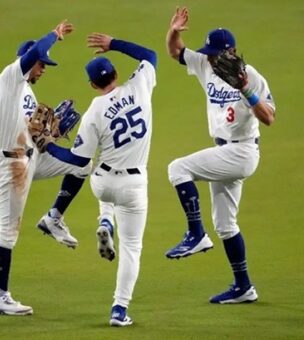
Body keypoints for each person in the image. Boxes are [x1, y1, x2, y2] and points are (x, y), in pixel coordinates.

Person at [38, 32, 157, 325]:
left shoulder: (94, 110)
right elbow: (150, 56)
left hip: (101, 184)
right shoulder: (140, 85)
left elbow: (77, 161)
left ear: (92, 85)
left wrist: (48, 144)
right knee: (132, 248)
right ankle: (119, 309)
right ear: (117, 74)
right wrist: (114, 43)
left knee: (97, 166)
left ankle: (105, 220)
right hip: (133, 187)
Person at [164, 6, 275, 304]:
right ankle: (244, 287)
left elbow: (269, 118)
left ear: (233, 52)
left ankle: (196, 234)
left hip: (243, 151)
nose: (212, 58)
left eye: (217, 53)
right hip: (222, 150)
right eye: (210, 53)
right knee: (226, 226)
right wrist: (174, 30)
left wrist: (245, 89)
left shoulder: (252, 76)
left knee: (178, 169)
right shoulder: (205, 64)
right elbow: (176, 52)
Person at [0, 20, 92, 316]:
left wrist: (50, 134)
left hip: (30, 156)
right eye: (40, 64)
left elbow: (33, 133)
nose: (43, 69)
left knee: (82, 165)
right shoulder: (10, 78)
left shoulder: (28, 92)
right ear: (28, 62)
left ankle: (54, 218)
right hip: (9, 166)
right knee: (7, 232)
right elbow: (35, 54)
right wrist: (55, 36)